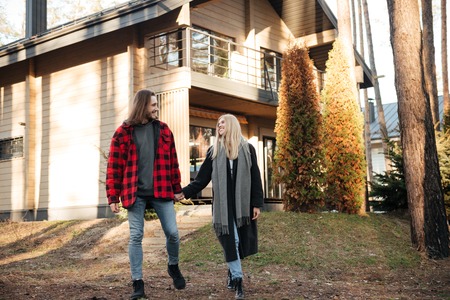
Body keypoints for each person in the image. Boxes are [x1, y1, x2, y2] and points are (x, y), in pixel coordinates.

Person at [106, 89, 186, 300]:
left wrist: (177, 188)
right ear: (142, 106)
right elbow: (114, 167)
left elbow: (173, 162)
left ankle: (173, 265)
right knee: (136, 236)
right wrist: (113, 197)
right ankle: (137, 283)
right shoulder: (123, 133)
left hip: (161, 190)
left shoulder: (164, 130)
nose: (156, 108)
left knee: (173, 233)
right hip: (135, 193)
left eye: (156, 104)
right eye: (153, 105)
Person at [179, 114, 264, 300]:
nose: (219, 126)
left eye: (222, 122)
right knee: (230, 240)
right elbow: (201, 180)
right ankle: (239, 280)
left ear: (232, 125)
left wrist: (257, 203)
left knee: (238, 241)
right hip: (223, 207)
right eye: (217, 124)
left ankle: (231, 272)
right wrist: (183, 192)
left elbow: (255, 177)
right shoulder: (214, 151)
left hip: (242, 205)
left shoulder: (247, 149)